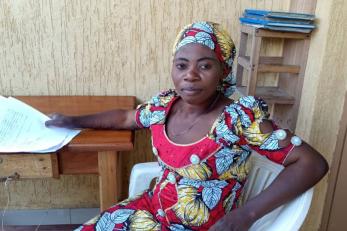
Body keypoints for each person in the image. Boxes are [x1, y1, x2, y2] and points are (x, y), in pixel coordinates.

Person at [45, 21, 328, 231]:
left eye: (205, 66)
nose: (190, 75)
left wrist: (245, 216)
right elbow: (125, 118)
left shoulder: (238, 120)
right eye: (182, 65)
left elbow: (311, 163)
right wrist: (73, 121)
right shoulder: (163, 107)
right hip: (150, 212)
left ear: (223, 72)